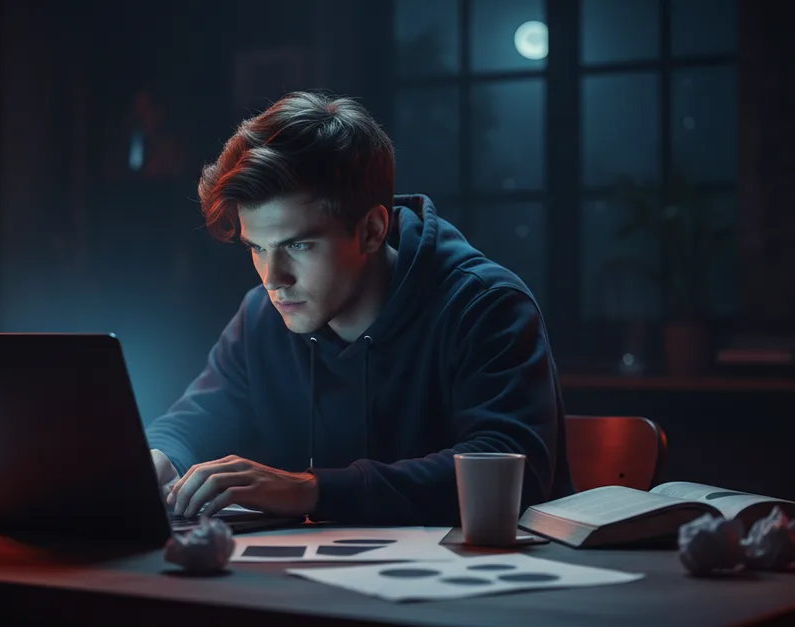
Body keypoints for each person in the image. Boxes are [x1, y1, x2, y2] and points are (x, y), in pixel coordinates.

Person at [147, 91, 573, 525]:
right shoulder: (262, 317)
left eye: (299, 245)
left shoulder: (485, 305)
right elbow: (193, 421)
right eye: (257, 247)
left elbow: (507, 470)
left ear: (371, 230)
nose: (273, 278)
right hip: (307, 587)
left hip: (492, 584)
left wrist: (311, 490)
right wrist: (154, 459)